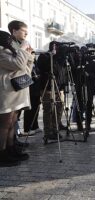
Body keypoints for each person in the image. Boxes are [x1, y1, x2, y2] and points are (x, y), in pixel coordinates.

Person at [0, 30, 33, 167]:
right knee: (4, 125)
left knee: (12, 122)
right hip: (6, 93)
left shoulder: (13, 52)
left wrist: (29, 56)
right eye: (9, 39)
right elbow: (17, 65)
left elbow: (26, 70)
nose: (12, 41)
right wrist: (24, 49)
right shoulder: (1, 52)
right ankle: (1, 154)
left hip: (16, 93)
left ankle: (10, 149)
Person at [37, 42, 68, 140]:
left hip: (60, 87)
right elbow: (43, 68)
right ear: (53, 47)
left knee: (58, 110)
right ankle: (48, 132)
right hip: (48, 88)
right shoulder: (44, 56)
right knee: (48, 110)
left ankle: (55, 130)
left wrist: (65, 55)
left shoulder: (61, 58)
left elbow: (65, 71)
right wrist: (53, 56)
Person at [22, 59, 42, 136]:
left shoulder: (35, 65)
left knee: (36, 108)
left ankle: (35, 126)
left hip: (36, 89)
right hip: (30, 89)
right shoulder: (26, 65)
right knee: (29, 110)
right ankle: (27, 128)